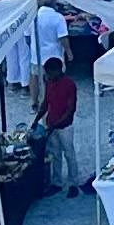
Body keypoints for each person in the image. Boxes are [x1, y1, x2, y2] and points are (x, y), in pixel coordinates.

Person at [34, 56, 81, 191]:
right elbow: (45, 103)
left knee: (69, 154)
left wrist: (55, 124)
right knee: (55, 154)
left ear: (58, 70)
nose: (47, 75)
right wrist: (36, 120)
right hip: (52, 124)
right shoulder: (49, 82)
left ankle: (73, 182)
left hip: (65, 126)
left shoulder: (69, 84)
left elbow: (70, 109)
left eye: (49, 72)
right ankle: (57, 182)